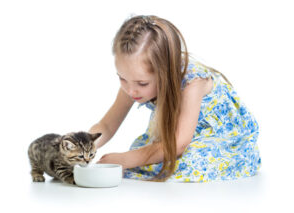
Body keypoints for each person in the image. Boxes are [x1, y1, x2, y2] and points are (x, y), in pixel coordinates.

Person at [88, 15, 261, 182]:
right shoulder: (132, 83)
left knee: (184, 164)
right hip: (178, 135)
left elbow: (179, 142)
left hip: (219, 137)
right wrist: (83, 145)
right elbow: (107, 125)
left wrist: (125, 159)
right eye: (122, 78)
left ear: (165, 72)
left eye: (142, 83)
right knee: (149, 157)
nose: (131, 90)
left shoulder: (194, 82)